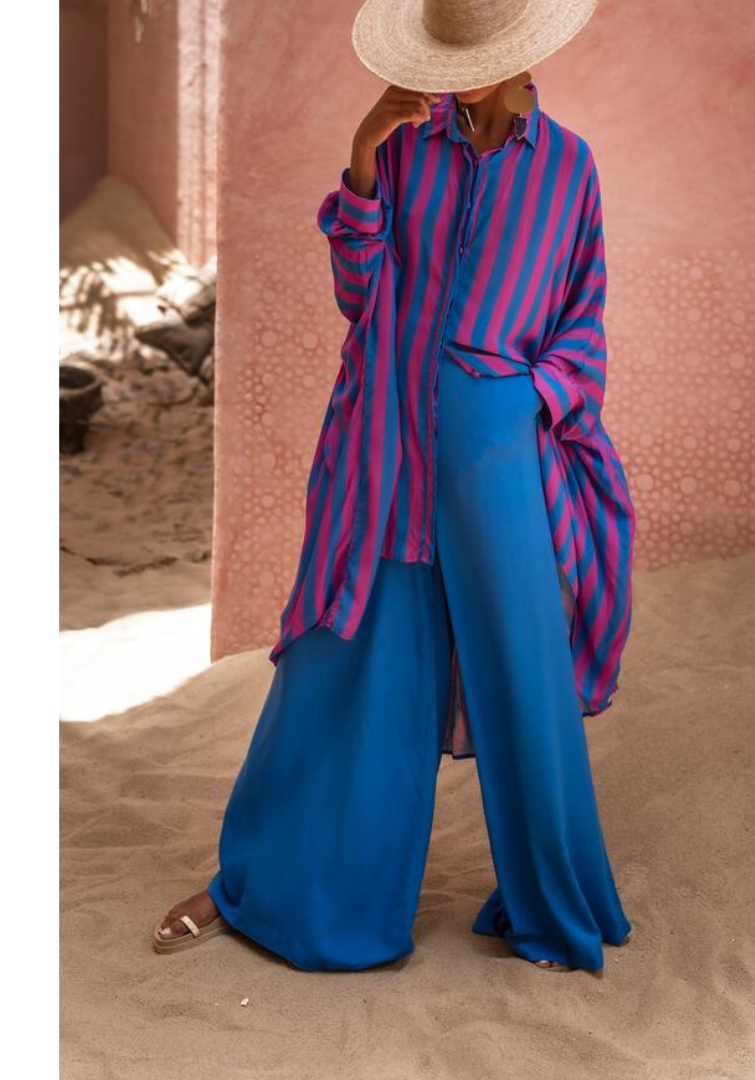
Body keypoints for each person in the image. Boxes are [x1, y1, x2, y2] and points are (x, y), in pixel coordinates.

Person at [152, 0, 635, 973]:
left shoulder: (565, 170)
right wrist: (366, 150)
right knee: (347, 671)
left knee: (523, 686)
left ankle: (551, 899)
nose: (455, 78)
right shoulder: (410, 150)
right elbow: (360, 290)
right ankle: (268, 886)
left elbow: (583, 321)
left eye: (475, 60)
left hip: (499, 466)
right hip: (382, 456)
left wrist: (521, 397)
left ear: (519, 56)